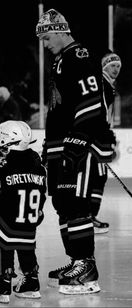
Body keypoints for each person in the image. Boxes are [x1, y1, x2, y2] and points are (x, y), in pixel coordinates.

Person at [36, 8, 117, 295]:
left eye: (46, 37)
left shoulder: (78, 57)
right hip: (60, 145)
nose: (44, 44)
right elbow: (60, 108)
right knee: (63, 203)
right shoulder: (60, 59)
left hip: (77, 145)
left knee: (77, 203)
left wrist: (78, 139)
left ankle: (87, 268)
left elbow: (92, 100)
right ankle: (75, 262)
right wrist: (50, 147)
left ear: (60, 31)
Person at [0, 120, 47, 304]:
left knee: (4, 246)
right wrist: (37, 213)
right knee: (27, 249)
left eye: (1, 138)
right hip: (30, 222)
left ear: (11, 140)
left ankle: (4, 284)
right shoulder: (39, 166)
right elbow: (42, 196)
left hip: (8, 221)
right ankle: (31, 283)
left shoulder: (3, 166)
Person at [91, 51, 122, 234]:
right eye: (112, 66)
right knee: (98, 176)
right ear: (104, 66)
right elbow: (99, 112)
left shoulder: (108, 84)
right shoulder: (102, 84)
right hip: (96, 136)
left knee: (97, 176)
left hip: (97, 134)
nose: (116, 69)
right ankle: (89, 217)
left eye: (118, 66)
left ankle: (88, 216)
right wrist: (105, 134)